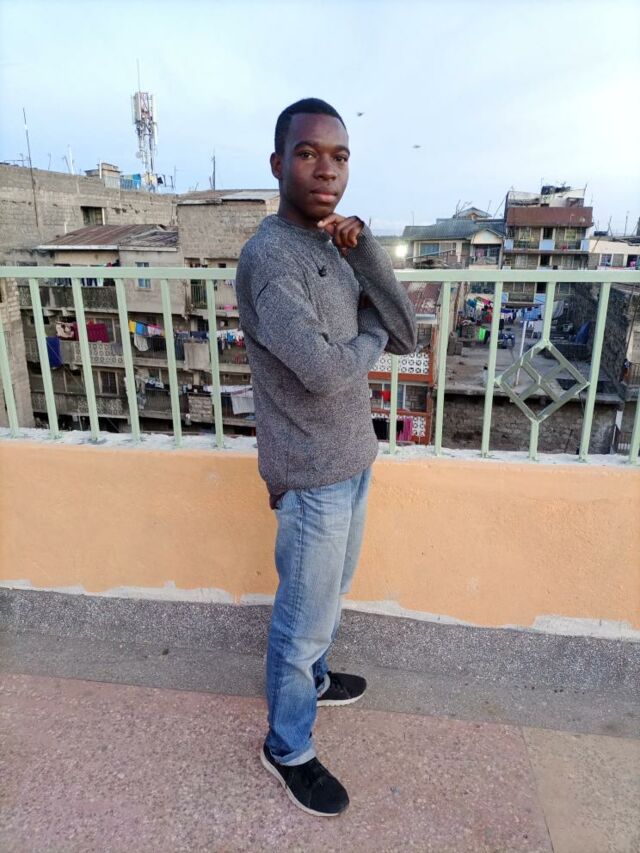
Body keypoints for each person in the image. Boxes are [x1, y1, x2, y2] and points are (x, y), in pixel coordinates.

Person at [236, 98, 417, 818]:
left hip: (352, 455)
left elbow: (404, 331)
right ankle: (287, 747)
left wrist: (364, 250)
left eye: (339, 156)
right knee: (302, 618)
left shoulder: (335, 246)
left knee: (330, 592)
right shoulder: (270, 259)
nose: (326, 169)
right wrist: (368, 336)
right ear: (279, 163)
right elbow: (324, 372)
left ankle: (311, 679)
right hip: (310, 470)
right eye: (309, 153)